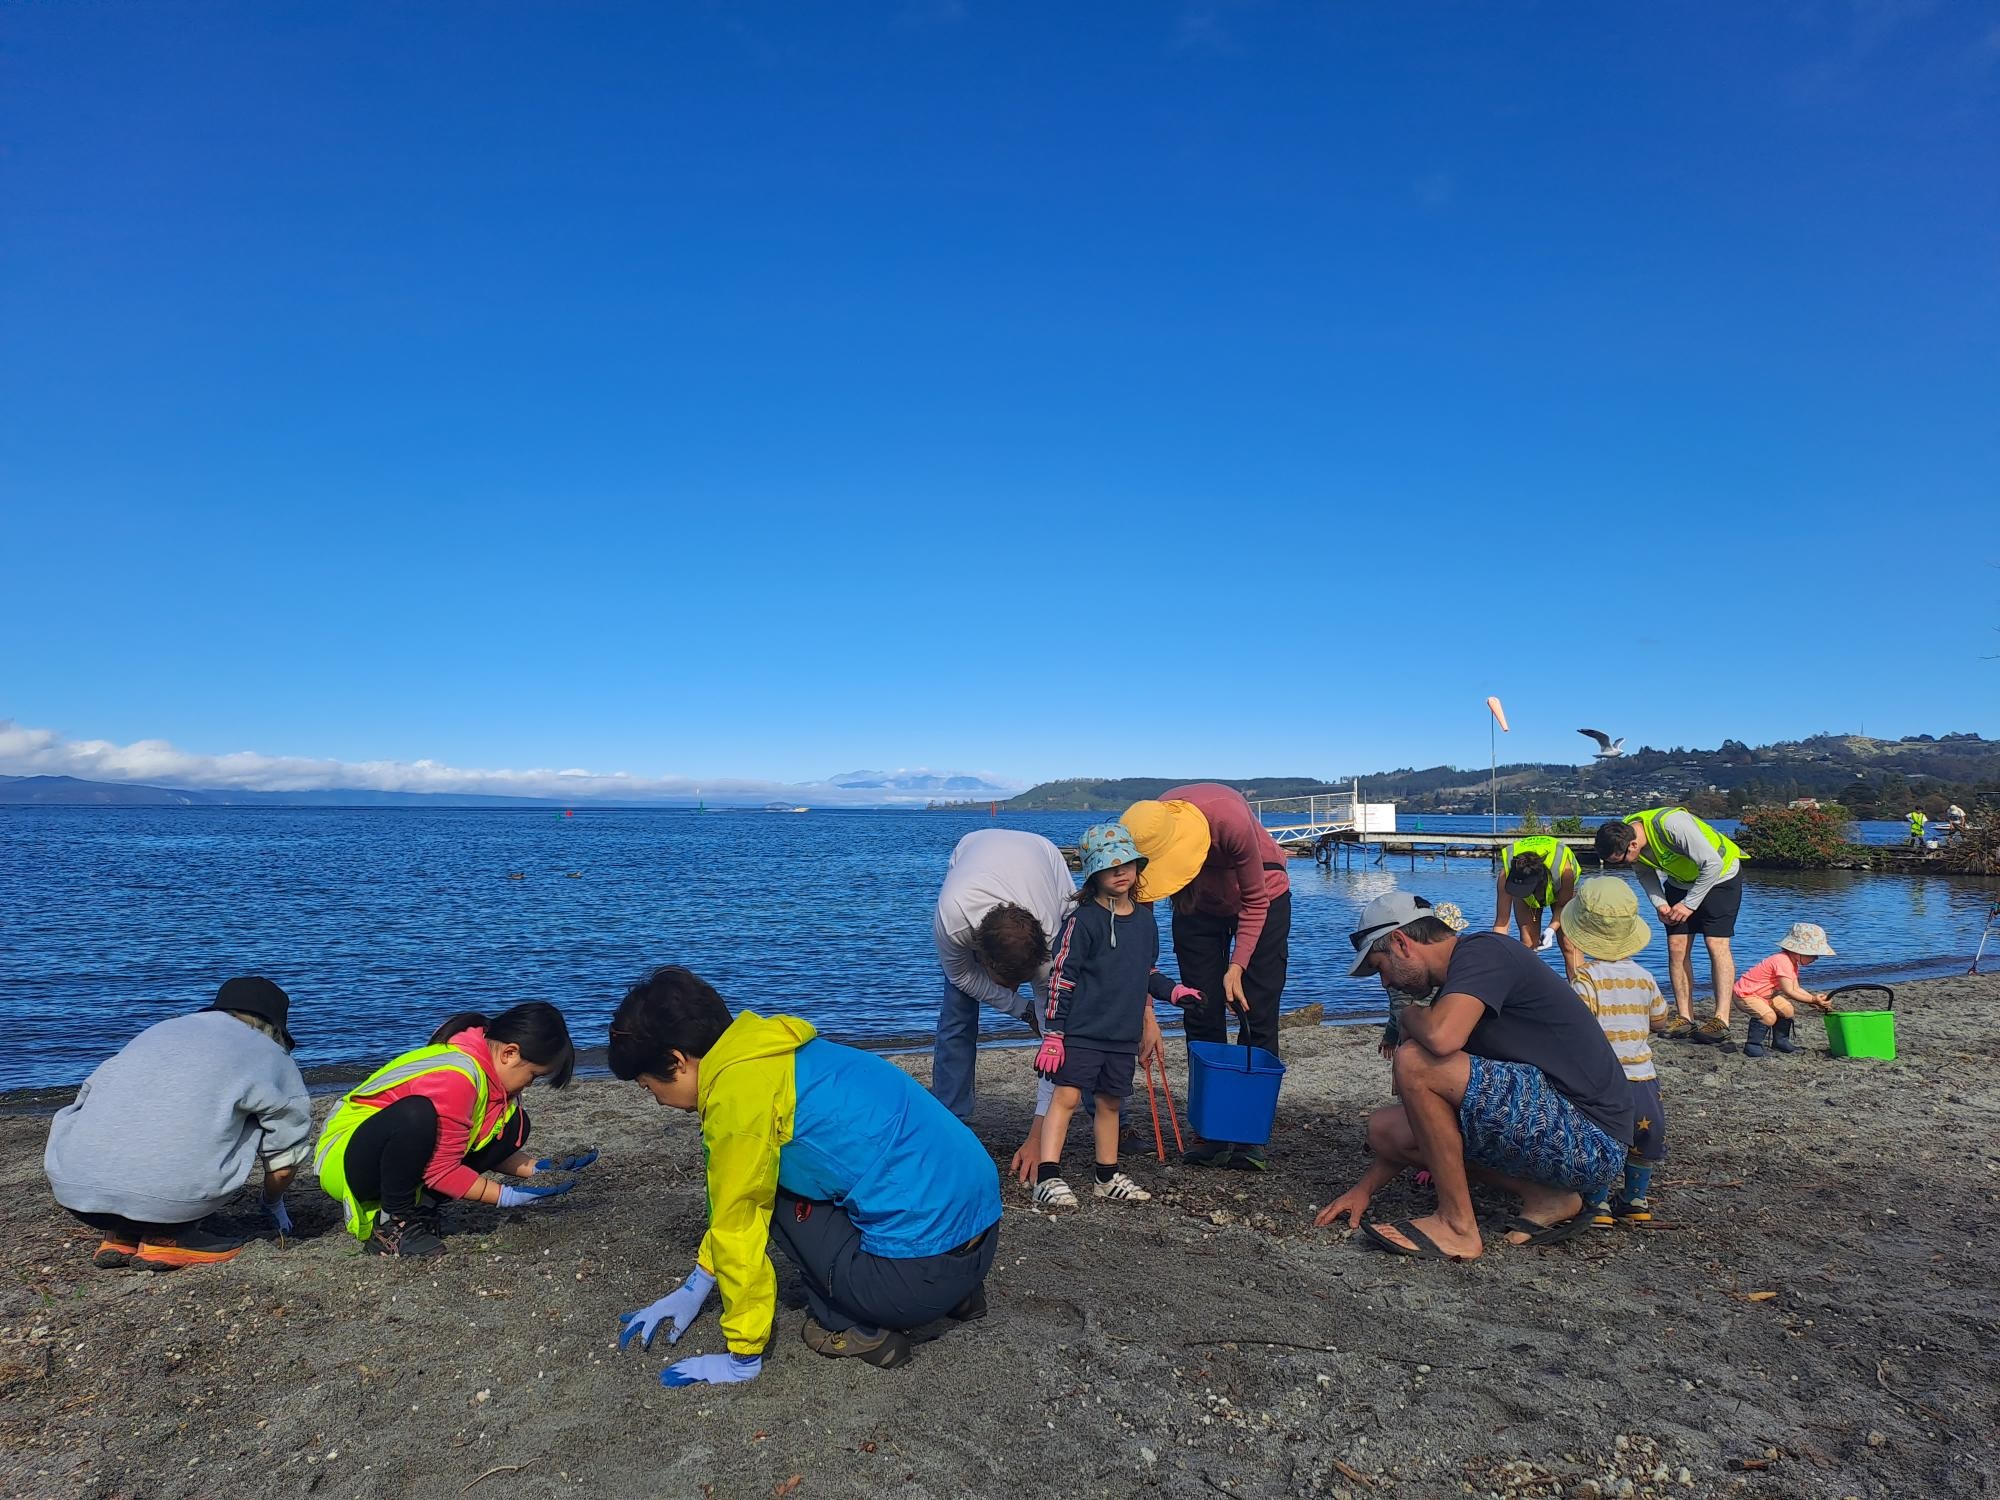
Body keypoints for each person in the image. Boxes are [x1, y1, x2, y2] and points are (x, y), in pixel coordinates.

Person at [610, 965, 1001, 1385]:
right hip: (982, 1236)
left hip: (916, 1281)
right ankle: (955, 1296)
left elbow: (737, 1220)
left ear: (677, 1061)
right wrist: (696, 1286)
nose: (658, 1102)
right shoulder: (777, 1050)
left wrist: (742, 1354)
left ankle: (855, 1327)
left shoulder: (738, 1100)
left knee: (766, 1189)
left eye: (650, 1087)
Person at [1316, 893, 1632, 1261]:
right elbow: (1430, 1119)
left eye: (1380, 966)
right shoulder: (1460, 986)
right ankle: (1547, 1196)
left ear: (1401, 943)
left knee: (1416, 1059)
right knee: (1386, 1130)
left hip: (1592, 1138)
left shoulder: (1484, 952)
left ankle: (1456, 1226)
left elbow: (1440, 1038)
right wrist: (1365, 1190)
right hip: (1563, 1132)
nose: (1385, 983)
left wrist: (1408, 1019)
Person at [930, 829, 1160, 1182]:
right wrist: (1021, 1010)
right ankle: (949, 1124)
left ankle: (1110, 1114)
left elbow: (1055, 1035)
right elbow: (962, 977)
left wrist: (1036, 1137)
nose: (1011, 988)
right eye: (1004, 980)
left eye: (1020, 981)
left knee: (1078, 1016)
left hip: (1042, 859)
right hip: (972, 849)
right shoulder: (953, 918)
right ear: (980, 954)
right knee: (957, 1018)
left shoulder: (1053, 937)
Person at [44, 976, 311, 1271]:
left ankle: (120, 1234)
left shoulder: (160, 1030)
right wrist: (272, 1203)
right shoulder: (270, 1054)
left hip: (75, 1193)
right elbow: (286, 1155)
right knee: (254, 1113)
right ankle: (168, 1240)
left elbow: (87, 1096)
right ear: (275, 1027)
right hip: (168, 1206)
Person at [313, 1002, 585, 1258]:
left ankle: (420, 1211)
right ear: (510, 1053)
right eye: (534, 1076)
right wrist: (508, 1197)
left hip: (395, 1158)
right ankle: (393, 1224)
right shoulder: (457, 1076)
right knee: (416, 1115)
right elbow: (441, 1170)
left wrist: (539, 1169)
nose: (529, 1085)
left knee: (514, 1125)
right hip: (346, 1159)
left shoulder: (492, 1081)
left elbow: (473, 1142)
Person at [1030, 824, 1199, 1210]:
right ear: (1094, 875)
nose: (1120, 872)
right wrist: (1054, 1034)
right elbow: (1062, 977)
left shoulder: (1144, 921)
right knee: (1067, 1098)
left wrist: (1174, 991)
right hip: (1082, 1032)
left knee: (1110, 1104)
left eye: (1127, 864)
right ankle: (1048, 1177)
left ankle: (1105, 1176)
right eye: (1110, 867)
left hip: (1121, 1036)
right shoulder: (1082, 921)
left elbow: (1146, 972)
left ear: (1138, 868)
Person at [1122, 783, 1291, 1169]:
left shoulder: (1227, 817)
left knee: (1256, 1010)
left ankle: (1248, 1135)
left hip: (1263, 895)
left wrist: (1238, 965)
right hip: (1198, 903)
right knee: (1199, 1006)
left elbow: (1255, 901)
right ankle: (1212, 1131)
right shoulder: (1147, 828)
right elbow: (1139, 936)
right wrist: (1146, 1008)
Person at [1559, 878, 1669, 1228]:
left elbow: (1578, 1029)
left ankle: (1597, 1203)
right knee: (1642, 1139)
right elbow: (1660, 1020)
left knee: (1600, 1137)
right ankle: (1635, 1199)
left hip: (1603, 1079)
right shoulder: (1644, 977)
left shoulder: (1585, 980)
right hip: (1642, 1078)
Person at [1595, 807, 1748, 1047]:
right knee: (1676, 946)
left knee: (1715, 943)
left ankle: (1721, 1020)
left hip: (1720, 875)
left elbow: (1712, 863)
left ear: (1632, 846)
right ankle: (1685, 1018)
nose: (1623, 865)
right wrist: (1661, 904)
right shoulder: (1624, 833)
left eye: (1621, 860)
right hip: (1681, 882)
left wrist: (1688, 905)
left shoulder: (1672, 825)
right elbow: (1645, 874)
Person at [1733, 923, 1836, 1057]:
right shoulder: (1782, 961)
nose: (1816, 958)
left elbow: (1796, 988)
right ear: (1798, 951)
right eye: (1813, 954)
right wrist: (1812, 1000)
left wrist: (1814, 999)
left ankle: (1780, 1041)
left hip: (1765, 995)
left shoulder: (1791, 962)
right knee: (1768, 1017)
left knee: (1787, 1010)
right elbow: (1789, 991)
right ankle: (1753, 1045)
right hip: (1746, 994)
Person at [1493, 835, 1582, 975]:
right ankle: (1529, 989)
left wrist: (1551, 930)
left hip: (1561, 889)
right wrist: (1495, 954)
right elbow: (1501, 922)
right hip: (1526, 876)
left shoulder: (1564, 870)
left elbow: (1563, 906)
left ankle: (1581, 991)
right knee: (1528, 944)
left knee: (1569, 943)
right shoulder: (1506, 874)